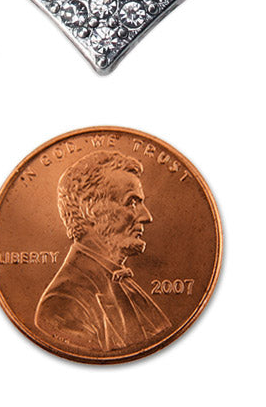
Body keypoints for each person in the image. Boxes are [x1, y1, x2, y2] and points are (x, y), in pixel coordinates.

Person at [34, 150, 170, 353]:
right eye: (132, 202)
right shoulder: (62, 304)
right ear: (89, 209)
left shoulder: (126, 285)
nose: (147, 216)